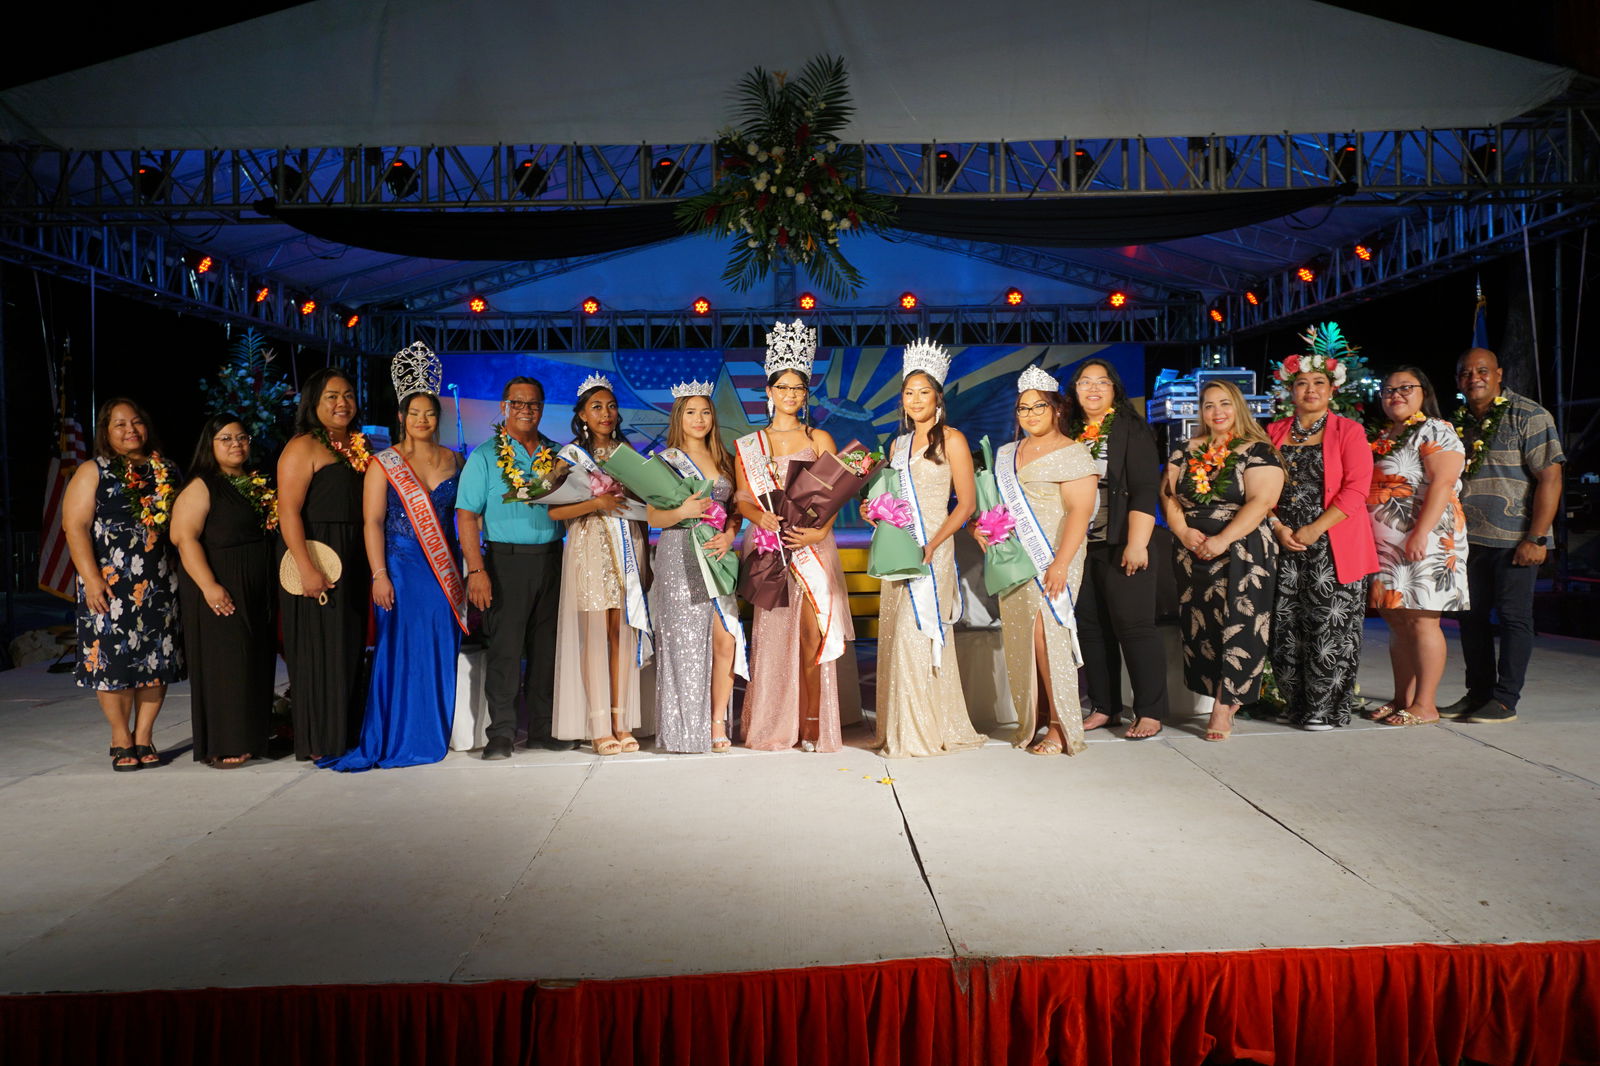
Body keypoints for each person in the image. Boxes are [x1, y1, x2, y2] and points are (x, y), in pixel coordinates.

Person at [322, 345, 465, 771]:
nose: (423, 420)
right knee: (400, 651)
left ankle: (435, 728)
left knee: (438, 647)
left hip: (442, 572)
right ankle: (398, 733)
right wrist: (379, 574)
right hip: (399, 571)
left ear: (438, 417)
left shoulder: (455, 460)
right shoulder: (383, 463)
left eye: (430, 413)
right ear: (402, 416)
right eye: (415, 413)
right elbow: (372, 522)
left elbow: (464, 516)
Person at [734, 320, 855, 753]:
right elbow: (743, 498)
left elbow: (836, 493)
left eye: (798, 388)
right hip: (770, 548)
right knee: (773, 637)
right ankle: (775, 722)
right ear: (769, 391)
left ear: (806, 394)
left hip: (811, 546)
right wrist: (759, 518)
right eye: (782, 387)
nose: (790, 394)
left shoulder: (818, 437)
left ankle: (812, 724)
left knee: (812, 634)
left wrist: (819, 530)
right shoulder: (750, 444)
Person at [974, 365, 1097, 756]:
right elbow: (995, 504)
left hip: (1055, 555)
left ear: (1057, 408)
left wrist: (1060, 563)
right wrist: (982, 528)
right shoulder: (1007, 453)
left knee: (1048, 637)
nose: (1030, 414)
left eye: (1038, 406)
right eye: (1023, 408)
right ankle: (1034, 719)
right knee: (1022, 638)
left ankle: (1061, 726)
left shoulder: (1074, 453)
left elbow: (1080, 512)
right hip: (1014, 558)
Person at [872, 339, 986, 758]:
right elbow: (894, 498)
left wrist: (934, 543)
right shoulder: (897, 445)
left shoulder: (952, 439)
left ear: (938, 396)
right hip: (901, 549)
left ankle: (920, 731)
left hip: (932, 549)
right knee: (896, 635)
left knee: (918, 634)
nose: (916, 399)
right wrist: (874, 511)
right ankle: (901, 727)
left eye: (924, 392)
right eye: (909, 392)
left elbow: (966, 504)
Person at [1442, 348, 1565, 724]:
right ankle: (1478, 694)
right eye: (1465, 372)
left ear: (1499, 374)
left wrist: (1537, 538)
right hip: (1468, 540)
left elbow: (1550, 477)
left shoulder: (1529, 414)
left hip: (1516, 540)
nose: (1473, 378)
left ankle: (1505, 700)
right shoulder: (1458, 421)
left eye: (1482, 370)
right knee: (1471, 618)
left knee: (1513, 618)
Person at [1264, 331, 1379, 730]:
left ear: (1332, 389)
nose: (1310, 389)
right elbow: (1257, 488)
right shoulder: (1273, 432)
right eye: (1302, 383)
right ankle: (1294, 703)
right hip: (1284, 542)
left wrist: (1315, 529)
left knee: (1329, 628)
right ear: (1290, 391)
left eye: (1318, 382)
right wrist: (1277, 526)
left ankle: (1324, 708)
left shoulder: (1349, 431)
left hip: (1333, 544)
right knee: (1286, 627)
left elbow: (1357, 490)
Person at [63, 398, 185, 771]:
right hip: (109, 583)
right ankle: (121, 737)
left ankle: (144, 735)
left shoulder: (166, 470)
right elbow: (75, 526)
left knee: (155, 659)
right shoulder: (93, 470)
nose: (130, 429)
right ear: (106, 431)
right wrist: (91, 578)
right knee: (112, 662)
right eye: (120, 424)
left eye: (136, 422)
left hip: (159, 580)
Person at [1162, 380, 1285, 741]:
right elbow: (1168, 496)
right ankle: (1216, 690)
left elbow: (1261, 502)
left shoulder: (1258, 449)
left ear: (1238, 407)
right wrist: (1183, 532)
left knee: (1241, 622)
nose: (1217, 412)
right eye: (1209, 405)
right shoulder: (1185, 450)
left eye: (1225, 403)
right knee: (1203, 626)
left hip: (1243, 549)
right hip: (1192, 550)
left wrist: (1222, 540)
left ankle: (1224, 704)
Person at [456, 376, 567, 759]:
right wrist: (476, 570)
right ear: (504, 406)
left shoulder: (558, 454)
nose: (526, 409)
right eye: (517, 403)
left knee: (546, 649)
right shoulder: (485, 456)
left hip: (552, 559)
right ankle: (501, 733)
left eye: (533, 403)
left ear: (542, 408)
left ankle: (542, 729)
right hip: (505, 563)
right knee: (504, 650)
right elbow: (466, 516)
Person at [1064, 358, 1167, 740]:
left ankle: (1150, 711)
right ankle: (1105, 707)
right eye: (1085, 382)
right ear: (1074, 390)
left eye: (1102, 382)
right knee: (1091, 628)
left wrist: (1137, 543)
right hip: (1080, 545)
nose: (1093, 388)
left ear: (1114, 389)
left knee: (1134, 626)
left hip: (1122, 540)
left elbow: (1144, 488)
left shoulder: (1129, 428)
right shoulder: (1069, 431)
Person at [549, 375, 652, 754]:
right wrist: (596, 503)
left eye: (610, 406)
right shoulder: (570, 456)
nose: (605, 413)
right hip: (590, 544)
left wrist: (647, 558)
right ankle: (598, 726)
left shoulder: (628, 452)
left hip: (628, 544)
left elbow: (644, 505)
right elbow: (554, 511)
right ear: (581, 414)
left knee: (621, 631)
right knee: (595, 632)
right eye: (596, 407)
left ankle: (621, 722)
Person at [170, 414, 277, 767]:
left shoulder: (252, 482)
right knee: (226, 664)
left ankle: (251, 736)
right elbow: (183, 537)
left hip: (254, 587)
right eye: (226, 439)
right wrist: (209, 585)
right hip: (219, 585)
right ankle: (224, 742)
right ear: (210, 445)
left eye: (242, 438)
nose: (236, 444)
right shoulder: (202, 485)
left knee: (252, 661)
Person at [276, 367, 371, 760]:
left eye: (348, 395)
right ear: (313, 402)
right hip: (317, 555)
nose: (342, 403)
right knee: (318, 652)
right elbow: (287, 511)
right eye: (332, 396)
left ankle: (343, 735)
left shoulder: (359, 445)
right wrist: (307, 568)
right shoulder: (303, 446)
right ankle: (318, 740)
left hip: (354, 555)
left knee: (347, 647)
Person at [1366, 367, 1468, 727]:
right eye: (1388, 389)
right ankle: (1402, 699)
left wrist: (1420, 533)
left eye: (1405, 388)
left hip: (1426, 538)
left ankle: (1425, 704)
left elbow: (1442, 483)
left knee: (1423, 620)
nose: (1395, 394)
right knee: (1398, 621)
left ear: (1424, 392)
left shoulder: (1435, 429)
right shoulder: (1385, 435)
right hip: (1388, 545)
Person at [649, 381, 745, 754]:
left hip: (716, 555)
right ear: (679, 417)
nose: (699, 419)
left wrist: (730, 535)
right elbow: (654, 516)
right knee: (684, 642)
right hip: (679, 554)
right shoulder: (666, 461)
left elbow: (735, 511)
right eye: (691, 412)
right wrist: (682, 511)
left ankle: (717, 722)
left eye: (705, 412)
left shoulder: (724, 459)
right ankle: (684, 728)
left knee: (726, 638)